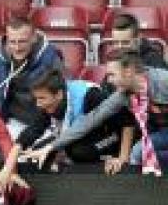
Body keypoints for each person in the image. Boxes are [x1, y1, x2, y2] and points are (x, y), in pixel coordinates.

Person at [24, 49, 167, 175]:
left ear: (128, 72)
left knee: (139, 152)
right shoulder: (122, 95)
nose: (108, 81)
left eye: (112, 75)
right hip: (156, 132)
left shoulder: (163, 81)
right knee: (138, 152)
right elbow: (90, 121)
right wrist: (51, 147)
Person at [20, 69, 135, 173]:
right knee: (38, 152)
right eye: (36, 98)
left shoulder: (90, 95)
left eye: (41, 98)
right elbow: (33, 130)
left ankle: (104, 164)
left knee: (78, 151)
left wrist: (123, 158)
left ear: (58, 94)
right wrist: (16, 153)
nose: (38, 104)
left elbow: (127, 121)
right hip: (83, 135)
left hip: (113, 136)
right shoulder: (48, 100)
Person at [0, 16, 64, 128]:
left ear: (33, 38)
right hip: (9, 119)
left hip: (43, 123)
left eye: (22, 41)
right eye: (12, 42)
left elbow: (62, 94)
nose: (17, 48)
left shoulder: (50, 57)